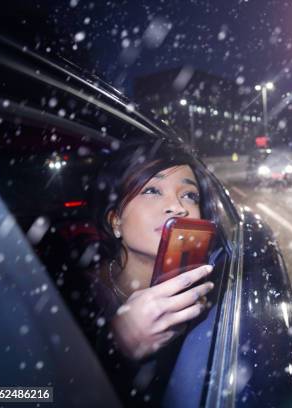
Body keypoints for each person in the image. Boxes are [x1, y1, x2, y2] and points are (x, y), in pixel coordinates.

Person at [85, 139, 221, 404]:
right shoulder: (75, 294)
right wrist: (114, 344)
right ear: (116, 221)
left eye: (189, 195)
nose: (178, 207)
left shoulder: (209, 282)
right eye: (152, 190)